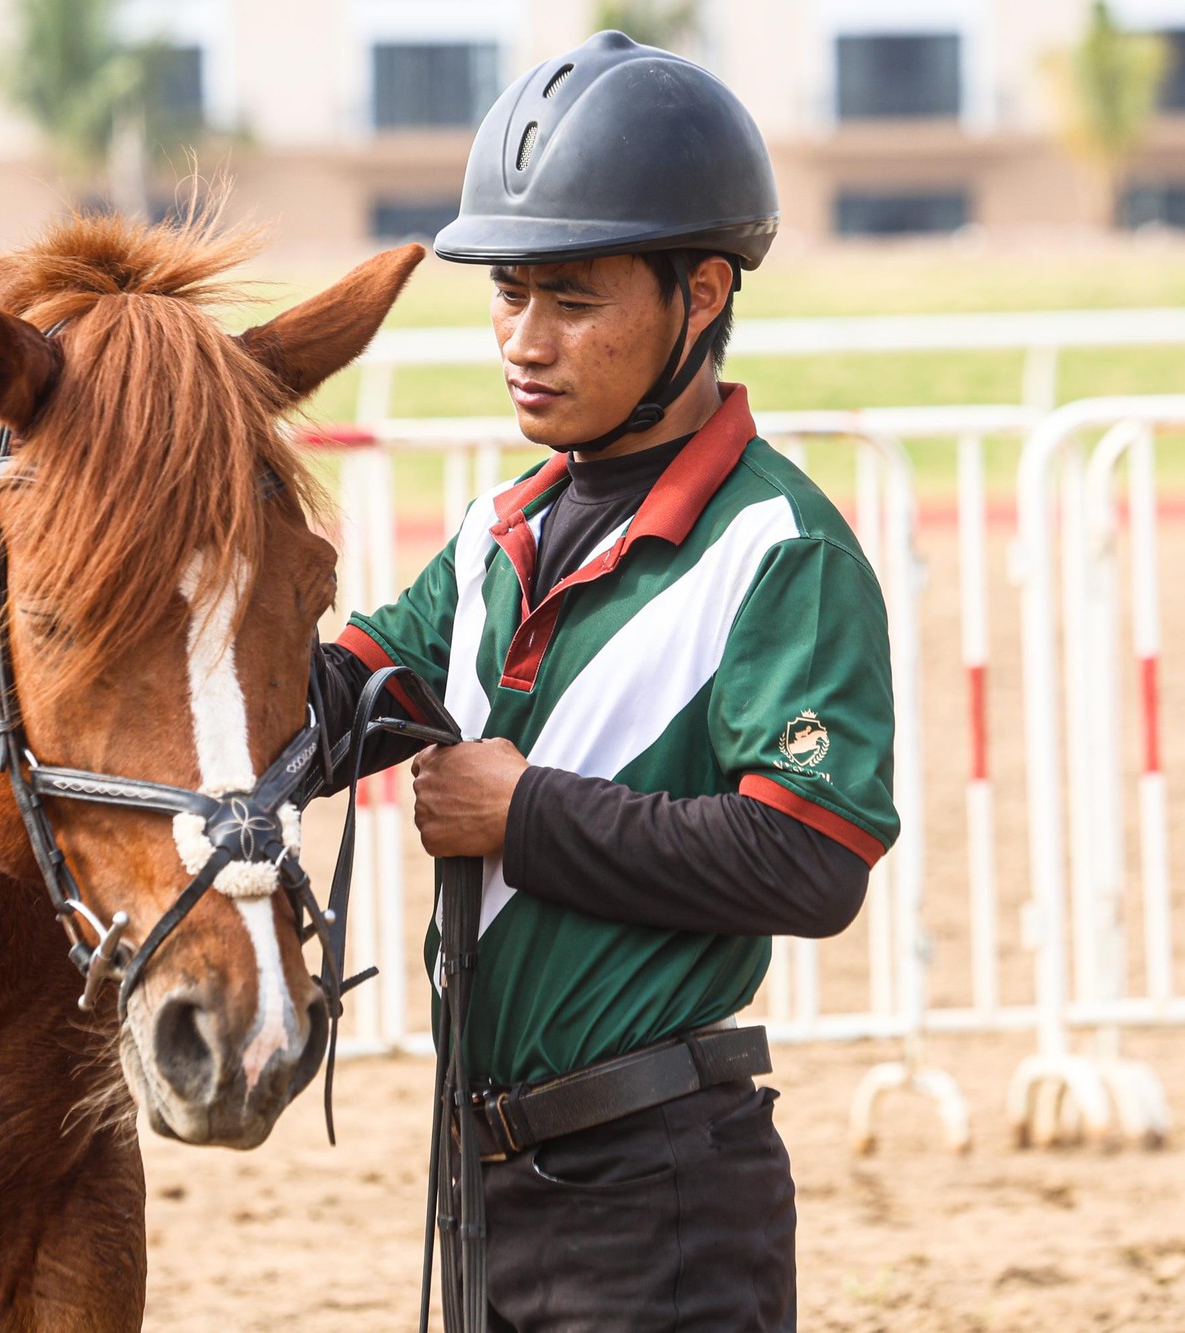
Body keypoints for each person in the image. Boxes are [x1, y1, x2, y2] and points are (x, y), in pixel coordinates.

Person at [312, 31, 899, 1331]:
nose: (524, 339)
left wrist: (526, 817)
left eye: (570, 300)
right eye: (509, 293)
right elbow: (321, 710)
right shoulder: (490, 538)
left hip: (665, 1195)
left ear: (700, 295)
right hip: (482, 1179)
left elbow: (809, 861)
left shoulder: (781, 551)